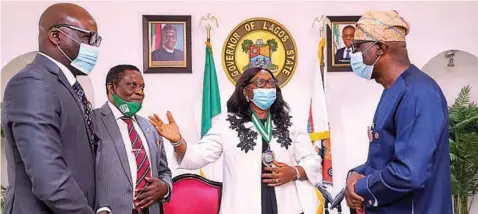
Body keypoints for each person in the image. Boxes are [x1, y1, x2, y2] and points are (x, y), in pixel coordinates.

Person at [149, 67, 322, 214]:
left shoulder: (289, 122)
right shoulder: (225, 123)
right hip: (241, 207)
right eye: (261, 83)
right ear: (245, 91)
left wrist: (295, 172)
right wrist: (178, 141)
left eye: (271, 83)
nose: (268, 87)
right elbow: (198, 156)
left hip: (287, 207)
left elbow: (312, 159)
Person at [345, 10, 452, 214]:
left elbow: (409, 173)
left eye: (358, 47)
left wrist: (359, 187)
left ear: (380, 48)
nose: (353, 54)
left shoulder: (420, 94)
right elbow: (381, 159)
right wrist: (354, 175)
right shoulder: (393, 90)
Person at [1, 3, 101, 214]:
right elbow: (49, 176)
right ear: (55, 36)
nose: (93, 48)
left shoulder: (68, 86)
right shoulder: (33, 82)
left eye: (96, 40)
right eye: (87, 38)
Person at [94, 65, 172, 214]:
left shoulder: (150, 127)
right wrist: (100, 207)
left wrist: (165, 187)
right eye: (132, 85)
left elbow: (164, 171)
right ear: (112, 88)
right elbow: (81, 173)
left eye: (142, 87)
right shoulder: (92, 122)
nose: (140, 92)